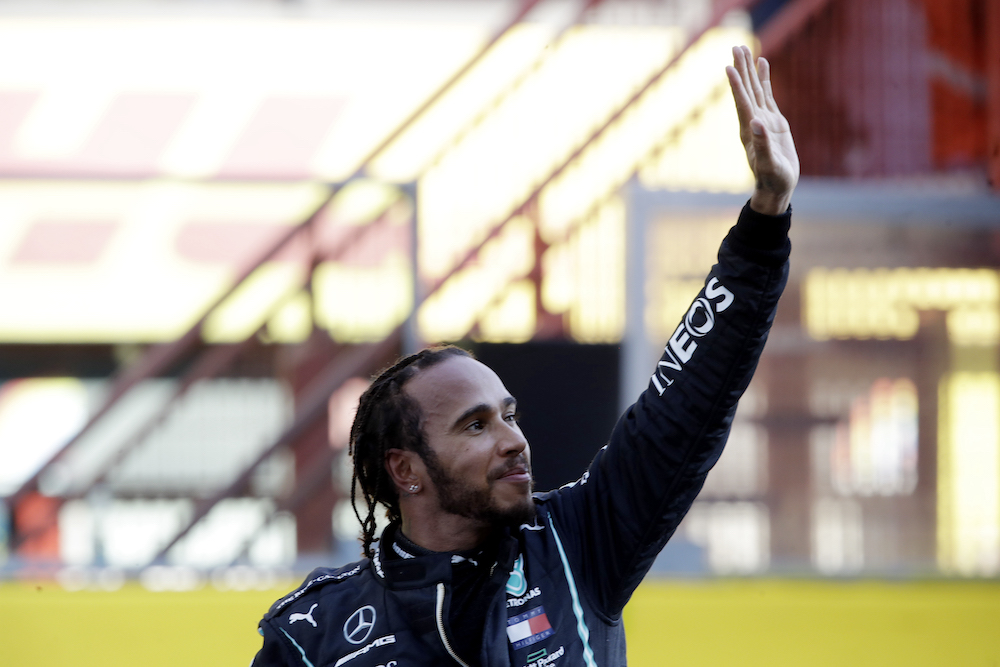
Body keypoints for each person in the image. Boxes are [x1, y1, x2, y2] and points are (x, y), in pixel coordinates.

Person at [251, 44, 798, 667]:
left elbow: (683, 407)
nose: (513, 439)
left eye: (508, 415)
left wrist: (764, 221)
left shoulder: (579, 542)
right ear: (407, 471)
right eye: (476, 425)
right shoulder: (312, 629)